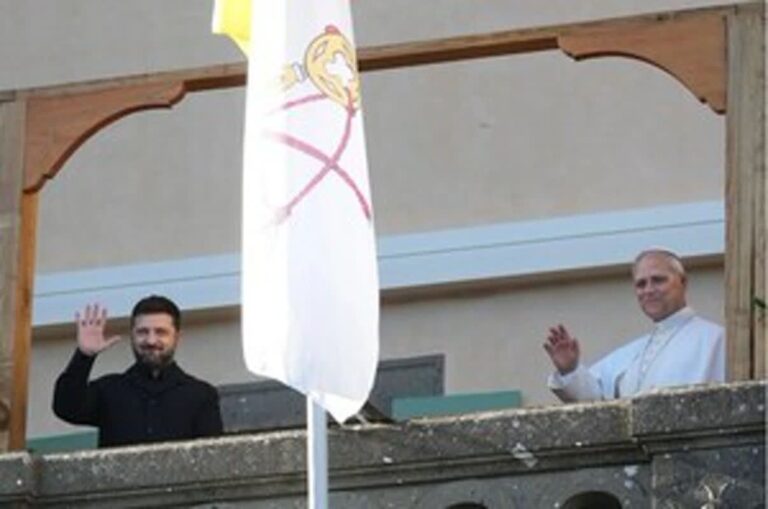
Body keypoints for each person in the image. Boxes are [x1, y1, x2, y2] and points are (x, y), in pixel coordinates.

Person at [544, 248, 725, 402]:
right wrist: (570, 370)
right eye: (641, 284)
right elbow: (596, 403)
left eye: (658, 280)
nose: (649, 290)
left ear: (683, 282)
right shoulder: (631, 353)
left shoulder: (716, 340)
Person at [53, 295, 223, 447]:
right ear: (132, 336)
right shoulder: (109, 390)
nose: (151, 340)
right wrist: (84, 356)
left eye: (161, 332)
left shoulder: (201, 395)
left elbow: (211, 457)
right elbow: (66, 408)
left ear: (177, 337)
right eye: (142, 332)